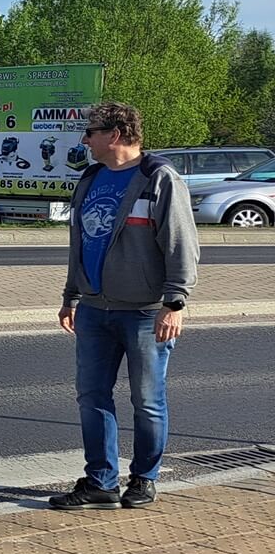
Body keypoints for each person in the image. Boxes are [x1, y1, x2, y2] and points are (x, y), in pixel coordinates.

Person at [51, 102, 200, 511]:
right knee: (91, 395)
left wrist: (175, 302)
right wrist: (72, 296)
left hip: (145, 311)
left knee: (147, 399)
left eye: (91, 131)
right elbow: (80, 243)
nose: (85, 139)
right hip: (96, 308)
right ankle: (100, 481)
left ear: (115, 134)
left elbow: (181, 244)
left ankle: (144, 477)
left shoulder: (158, 179)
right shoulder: (91, 177)